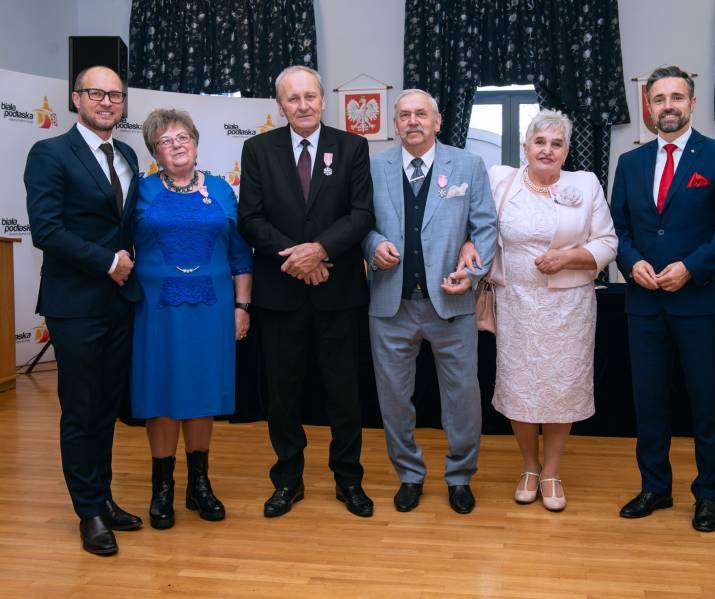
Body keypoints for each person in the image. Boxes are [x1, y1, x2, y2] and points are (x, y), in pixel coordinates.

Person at [611, 66, 715, 532]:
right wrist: (631, 261)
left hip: (701, 304)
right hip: (644, 303)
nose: (667, 106)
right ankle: (655, 487)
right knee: (649, 402)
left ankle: (709, 495)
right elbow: (619, 229)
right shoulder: (630, 163)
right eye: (659, 99)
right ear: (648, 107)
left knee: (706, 404)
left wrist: (691, 267)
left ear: (692, 104)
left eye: (676, 97)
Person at [463, 109, 618, 511]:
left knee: (561, 388)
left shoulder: (585, 184)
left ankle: (551, 470)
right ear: (526, 147)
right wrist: (468, 246)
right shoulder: (501, 180)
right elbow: (477, 225)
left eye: (556, 143)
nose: (547, 150)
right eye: (540, 142)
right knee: (520, 387)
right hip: (515, 303)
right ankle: (529, 466)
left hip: (569, 307)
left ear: (566, 151)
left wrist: (569, 257)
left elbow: (608, 242)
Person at [238, 65, 375, 518]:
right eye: (293, 99)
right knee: (282, 395)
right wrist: (298, 259)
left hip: (339, 292)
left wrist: (319, 250)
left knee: (344, 393)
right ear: (281, 106)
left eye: (310, 96)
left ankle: (348, 480)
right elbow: (250, 219)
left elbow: (362, 214)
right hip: (280, 294)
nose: (303, 105)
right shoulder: (258, 150)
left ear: (323, 100)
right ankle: (287, 480)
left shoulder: (352, 147)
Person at [24, 66, 143, 555]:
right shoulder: (50, 153)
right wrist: (108, 262)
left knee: (106, 409)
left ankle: (104, 498)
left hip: (120, 303)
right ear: (76, 99)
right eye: (96, 93)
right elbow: (46, 230)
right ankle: (88, 512)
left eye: (115, 94)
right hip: (75, 305)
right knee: (80, 409)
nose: (107, 101)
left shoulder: (129, 155)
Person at [363, 89, 497, 515]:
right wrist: (373, 244)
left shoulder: (468, 165)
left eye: (421, 114)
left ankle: (460, 476)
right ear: (395, 124)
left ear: (437, 122)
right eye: (404, 115)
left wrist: (472, 272)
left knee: (462, 397)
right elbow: (361, 223)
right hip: (391, 305)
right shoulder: (374, 167)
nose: (413, 121)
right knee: (394, 399)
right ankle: (409, 474)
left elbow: (485, 227)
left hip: (451, 303)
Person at [131, 109, 253, 530]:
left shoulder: (220, 189)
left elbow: (240, 253)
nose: (176, 145)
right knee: (161, 391)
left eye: (183, 137)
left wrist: (242, 306)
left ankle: (199, 484)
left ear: (196, 143)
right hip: (156, 309)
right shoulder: (141, 191)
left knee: (202, 390)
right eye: (165, 141)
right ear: (154, 152)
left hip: (212, 308)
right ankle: (162, 487)